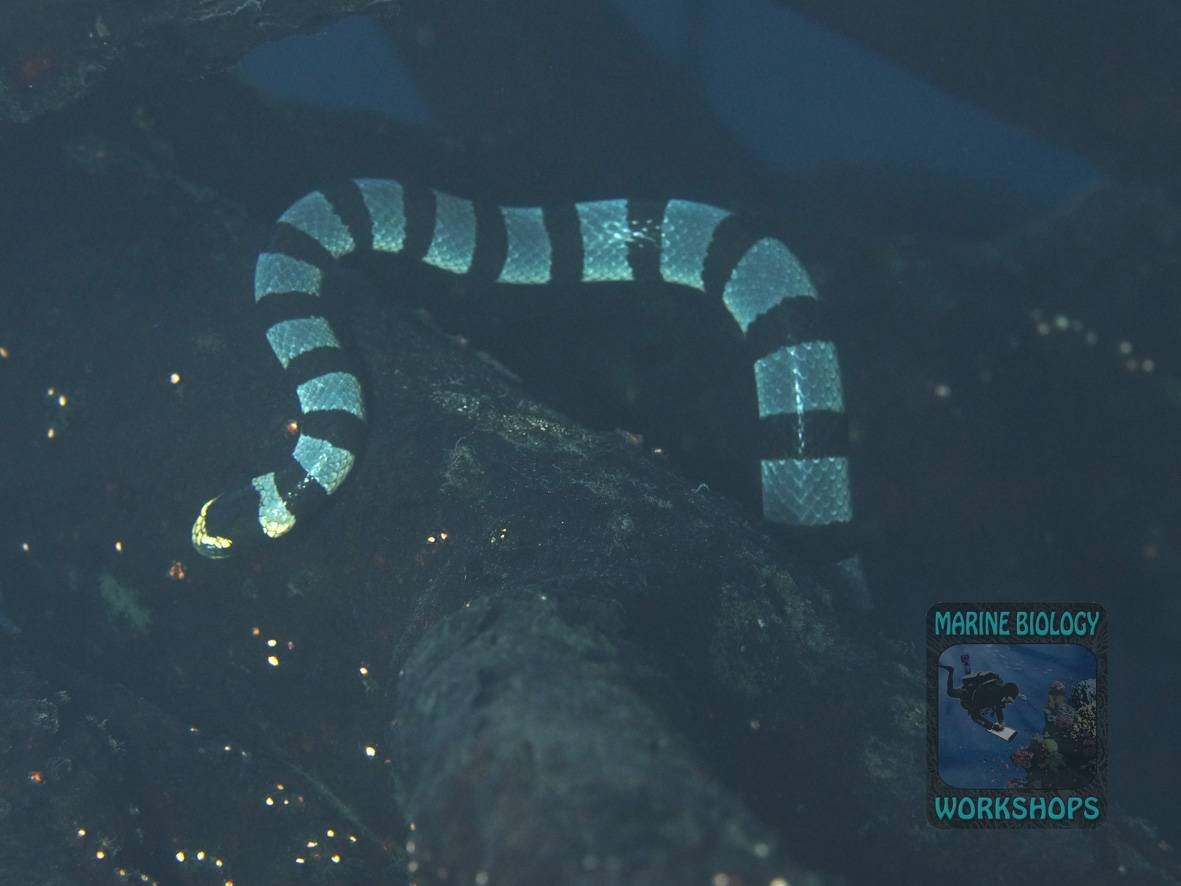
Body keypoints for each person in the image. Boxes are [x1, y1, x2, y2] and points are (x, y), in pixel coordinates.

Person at [941, 665, 1019, 732]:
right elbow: (974, 715)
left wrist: (1001, 722)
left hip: (977, 695)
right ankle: (951, 671)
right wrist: (991, 726)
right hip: (968, 693)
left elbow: (998, 707)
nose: (1007, 703)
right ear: (1005, 695)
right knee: (951, 693)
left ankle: (969, 676)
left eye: (1010, 702)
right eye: (1009, 701)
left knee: (970, 683)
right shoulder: (987, 692)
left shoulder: (999, 696)